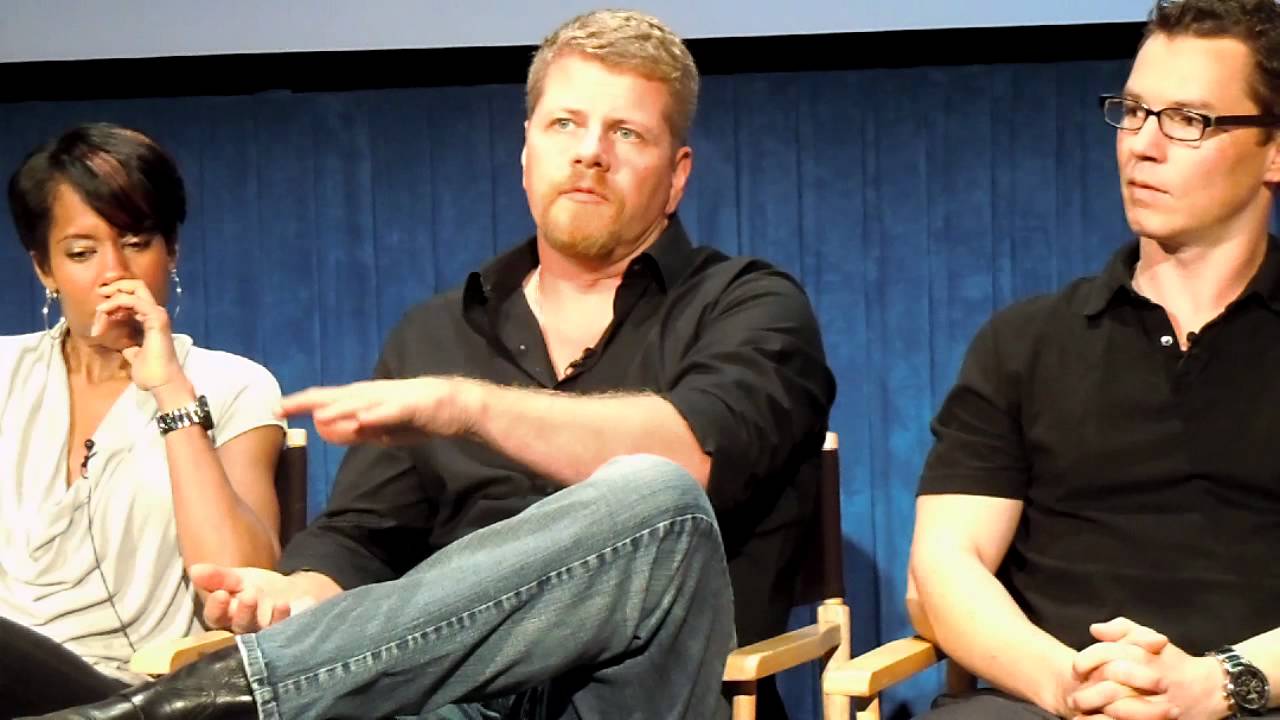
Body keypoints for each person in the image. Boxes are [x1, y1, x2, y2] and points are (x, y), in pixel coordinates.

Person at [34, 8, 836, 720]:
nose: (590, 154)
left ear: (676, 176)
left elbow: (686, 459)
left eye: (627, 133)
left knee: (651, 492)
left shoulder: (751, 309)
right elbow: (361, 539)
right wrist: (300, 593)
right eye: (564, 124)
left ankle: (226, 701)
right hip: (453, 697)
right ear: (526, 152)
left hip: (638, 691)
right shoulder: (437, 333)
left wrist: (469, 408)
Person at [908, 0, 1280, 718]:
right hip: (1049, 704)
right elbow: (942, 567)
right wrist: (1069, 686)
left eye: (1189, 120)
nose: (1143, 145)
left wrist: (1216, 684)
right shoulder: (1025, 343)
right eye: (1134, 111)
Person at [0, 123, 287, 716]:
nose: (113, 272)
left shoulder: (234, 385)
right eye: (81, 253)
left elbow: (239, 584)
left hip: (140, 696)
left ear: (171, 252)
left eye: (135, 242)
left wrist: (168, 388)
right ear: (44, 270)